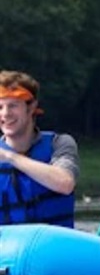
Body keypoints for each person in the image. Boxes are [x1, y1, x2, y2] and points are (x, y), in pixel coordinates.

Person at [0, 70, 78, 227]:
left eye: (13, 106)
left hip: (53, 247)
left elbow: (65, 183)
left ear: (31, 107)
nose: (5, 114)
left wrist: (10, 157)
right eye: (0, 107)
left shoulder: (60, 143)